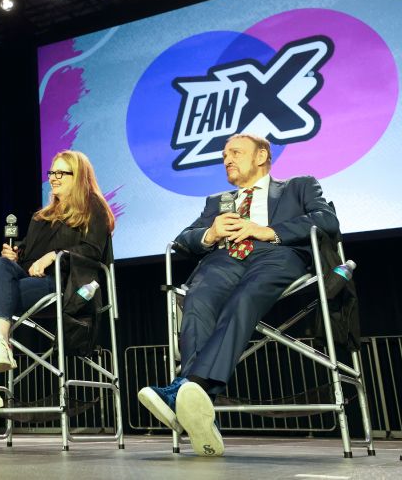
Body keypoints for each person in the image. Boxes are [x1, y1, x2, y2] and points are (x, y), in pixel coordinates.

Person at [138, 133, 338, 457]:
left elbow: (326, 220)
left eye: (235, 152)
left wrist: (268, 231)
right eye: (224, 155)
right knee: (197, 298)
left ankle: (187, 389)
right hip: (225, 258)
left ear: (261, 156)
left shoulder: (299, 186)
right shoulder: (217, 202)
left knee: (244, 299)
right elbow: (184, 239)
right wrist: (211, 233)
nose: (227, 159)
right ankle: (197, 402)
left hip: (276, 254)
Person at [0, 150, 115, 413]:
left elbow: (93, 252)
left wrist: (54, 255)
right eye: (52, 172)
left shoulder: (93, 207)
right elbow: (28, 261)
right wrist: (17, 255)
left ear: (78, 176)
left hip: (65, 285)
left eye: (61, 173)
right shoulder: (42, 217)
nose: (53, 178)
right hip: (35, 283)